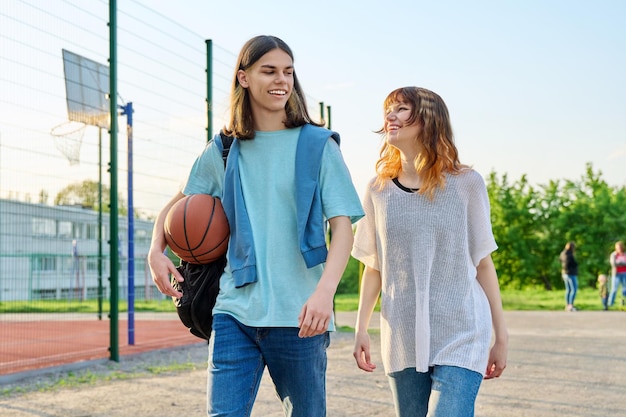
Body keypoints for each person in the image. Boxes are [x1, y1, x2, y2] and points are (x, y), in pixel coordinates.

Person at [148, 35, 364, 417]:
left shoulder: (318, 145)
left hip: (300, 315)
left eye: (288, 72)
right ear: (244, 78)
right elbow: (177, 205)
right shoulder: (226, 148)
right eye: (269, 71)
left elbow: (343, 227)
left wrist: (324, 293)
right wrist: (155, 251)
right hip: (234, 311)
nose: (281, 80)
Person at [351, 86, 508, 417]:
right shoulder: (378, 190)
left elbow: (482, 263)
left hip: (462, 331)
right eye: (388, 110)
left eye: (402, 109)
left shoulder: (467, 184)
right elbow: (375, 267)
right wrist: (361, 327)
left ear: (430, 119)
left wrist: (501, 336)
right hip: (401, 334)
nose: (390, 116)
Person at [559, 241, 578, 312]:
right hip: (571, 273)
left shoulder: (562, 253)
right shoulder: (570, 255)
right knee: (574, 289)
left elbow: (560, 261)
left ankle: (567, 305)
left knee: (568, 289)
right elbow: (573, 263)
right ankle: (571, 305)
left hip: (564, 273)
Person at [608, 241, 626, 308]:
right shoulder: (614, 255)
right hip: (616, 274)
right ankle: (610, 303)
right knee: (614, 289)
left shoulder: (624, 254)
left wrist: (620, 263)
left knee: (625, 289)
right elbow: (613, 264)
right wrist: (622, 263)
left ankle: (623, 303)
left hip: (624, 273)